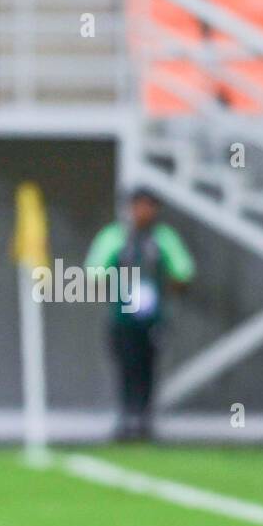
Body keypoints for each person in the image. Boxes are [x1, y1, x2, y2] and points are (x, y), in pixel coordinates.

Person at [85, 187, 194, 441]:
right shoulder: (115, 237)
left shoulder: (164, 239)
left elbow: (183, 272)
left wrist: (164, 287)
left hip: (152, 318)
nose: (144, 212)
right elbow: (95, 272)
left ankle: (144, 419)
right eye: (139, 206)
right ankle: (126, 418)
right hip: (123, 317)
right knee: (125, 366)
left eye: (149, 206)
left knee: (148, 368)